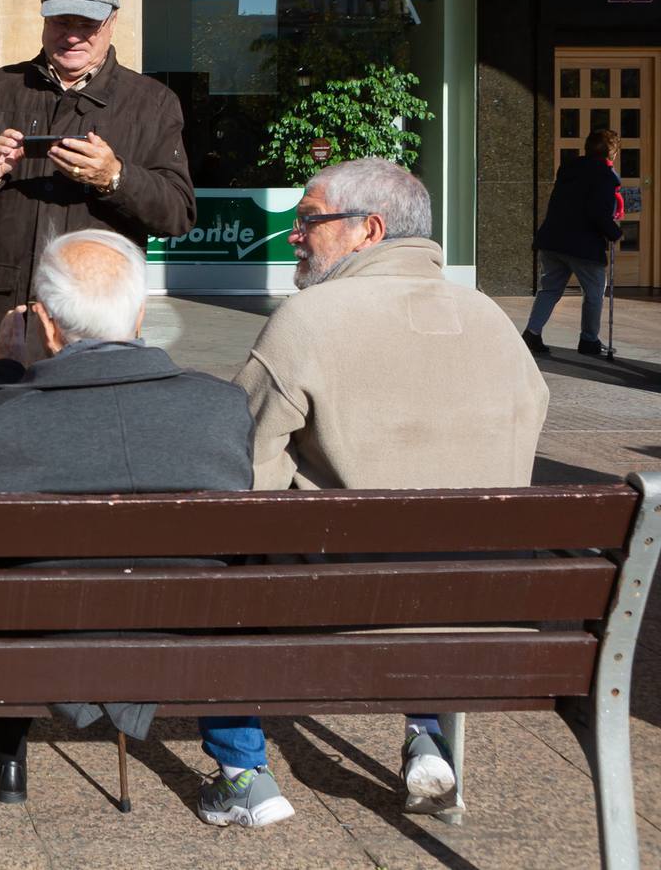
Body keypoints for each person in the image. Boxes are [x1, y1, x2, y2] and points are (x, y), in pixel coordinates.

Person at [224, 159, 549, 827]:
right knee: (428, 554)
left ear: (367, 230)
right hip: (485, 608)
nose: (294, 235)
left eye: (308, 219)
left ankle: (242, 771)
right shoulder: (492, 322)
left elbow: (239, 473)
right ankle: (426, 732)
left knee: (220, 561)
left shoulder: (307, 321)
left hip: (336, 605)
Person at [0, 231, 257, 811]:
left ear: (45, 325)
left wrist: (2, 374)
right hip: (185, 634)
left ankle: (6, 740)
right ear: (141, 314)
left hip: (47, 634)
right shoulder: (221, 409)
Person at [0, 0, 195, 377]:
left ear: (112, 23)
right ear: (43, 18)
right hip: (0, 325)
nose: (71, 36)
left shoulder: (152, 103)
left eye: (87, 25)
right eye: (60, 21)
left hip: (95, 334)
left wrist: (115, 178)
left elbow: (178, 213)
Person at [523, 128, 624, 357]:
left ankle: (532, 332)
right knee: (594, 291)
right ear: (612, 153)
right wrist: (615, 233)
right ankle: (588, 340)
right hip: (583, 245)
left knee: (549, 289)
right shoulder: (605, 176)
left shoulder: (568, 168)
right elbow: (597, 211)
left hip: (553, 238)